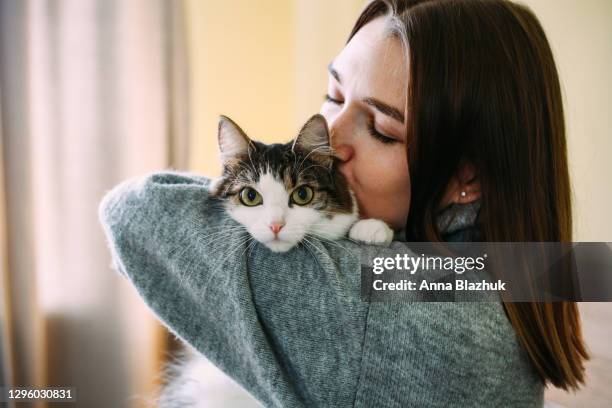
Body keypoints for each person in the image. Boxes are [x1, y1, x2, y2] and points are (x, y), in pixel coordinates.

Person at [99, 0, 588, 406]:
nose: (330, 142)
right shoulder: (516, 274)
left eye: (381, 129)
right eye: (332, 96)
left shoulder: (389, 301)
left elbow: (135, 213)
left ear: (467, 178)